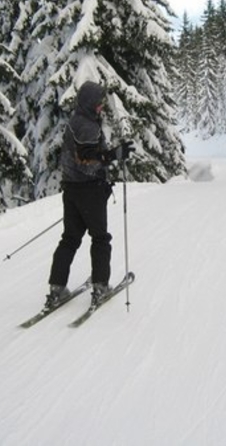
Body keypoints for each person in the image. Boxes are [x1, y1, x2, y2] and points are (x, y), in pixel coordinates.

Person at [46, 81, 133, 307]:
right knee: (100, 239)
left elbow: (83, 157)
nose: (101, 106)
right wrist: (114, 155)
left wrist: (109, 154)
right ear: (88, 103)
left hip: (72, 190)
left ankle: (56, 289)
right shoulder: (87, 126)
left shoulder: (77, 122)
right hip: (88, 191)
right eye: (98, 102)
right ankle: (101, 287)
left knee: (70, 239)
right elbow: (87, 162)